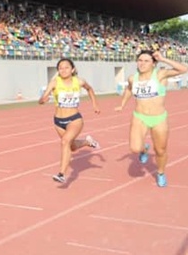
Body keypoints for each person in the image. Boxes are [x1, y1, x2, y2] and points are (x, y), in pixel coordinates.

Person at [115, 50, 187, 187]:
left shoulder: (160, 75)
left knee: (160, 151)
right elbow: (129, 89)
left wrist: (163, 59)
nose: (142, 63)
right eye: (140, 60)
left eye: (146, 61)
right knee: (135, 148)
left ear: (153, 64)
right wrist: (122, 104)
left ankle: (160, 173)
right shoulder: (132, 78)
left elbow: (184, 69)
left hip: (159, 118)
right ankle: (144, 149)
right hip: (139, 117)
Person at [38, 58, 100, 184]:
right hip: (58, 121)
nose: (63, 70)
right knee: (71, 147)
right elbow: (42, 99)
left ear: (72, 69)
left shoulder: (79, 81)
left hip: (74, 119)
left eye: (66, 67)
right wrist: (42, 100)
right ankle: (87, 141)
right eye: (60, 68)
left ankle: (61, 174)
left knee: (65, 141)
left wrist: (95, 104)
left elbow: (89, 89)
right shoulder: (54, 82)